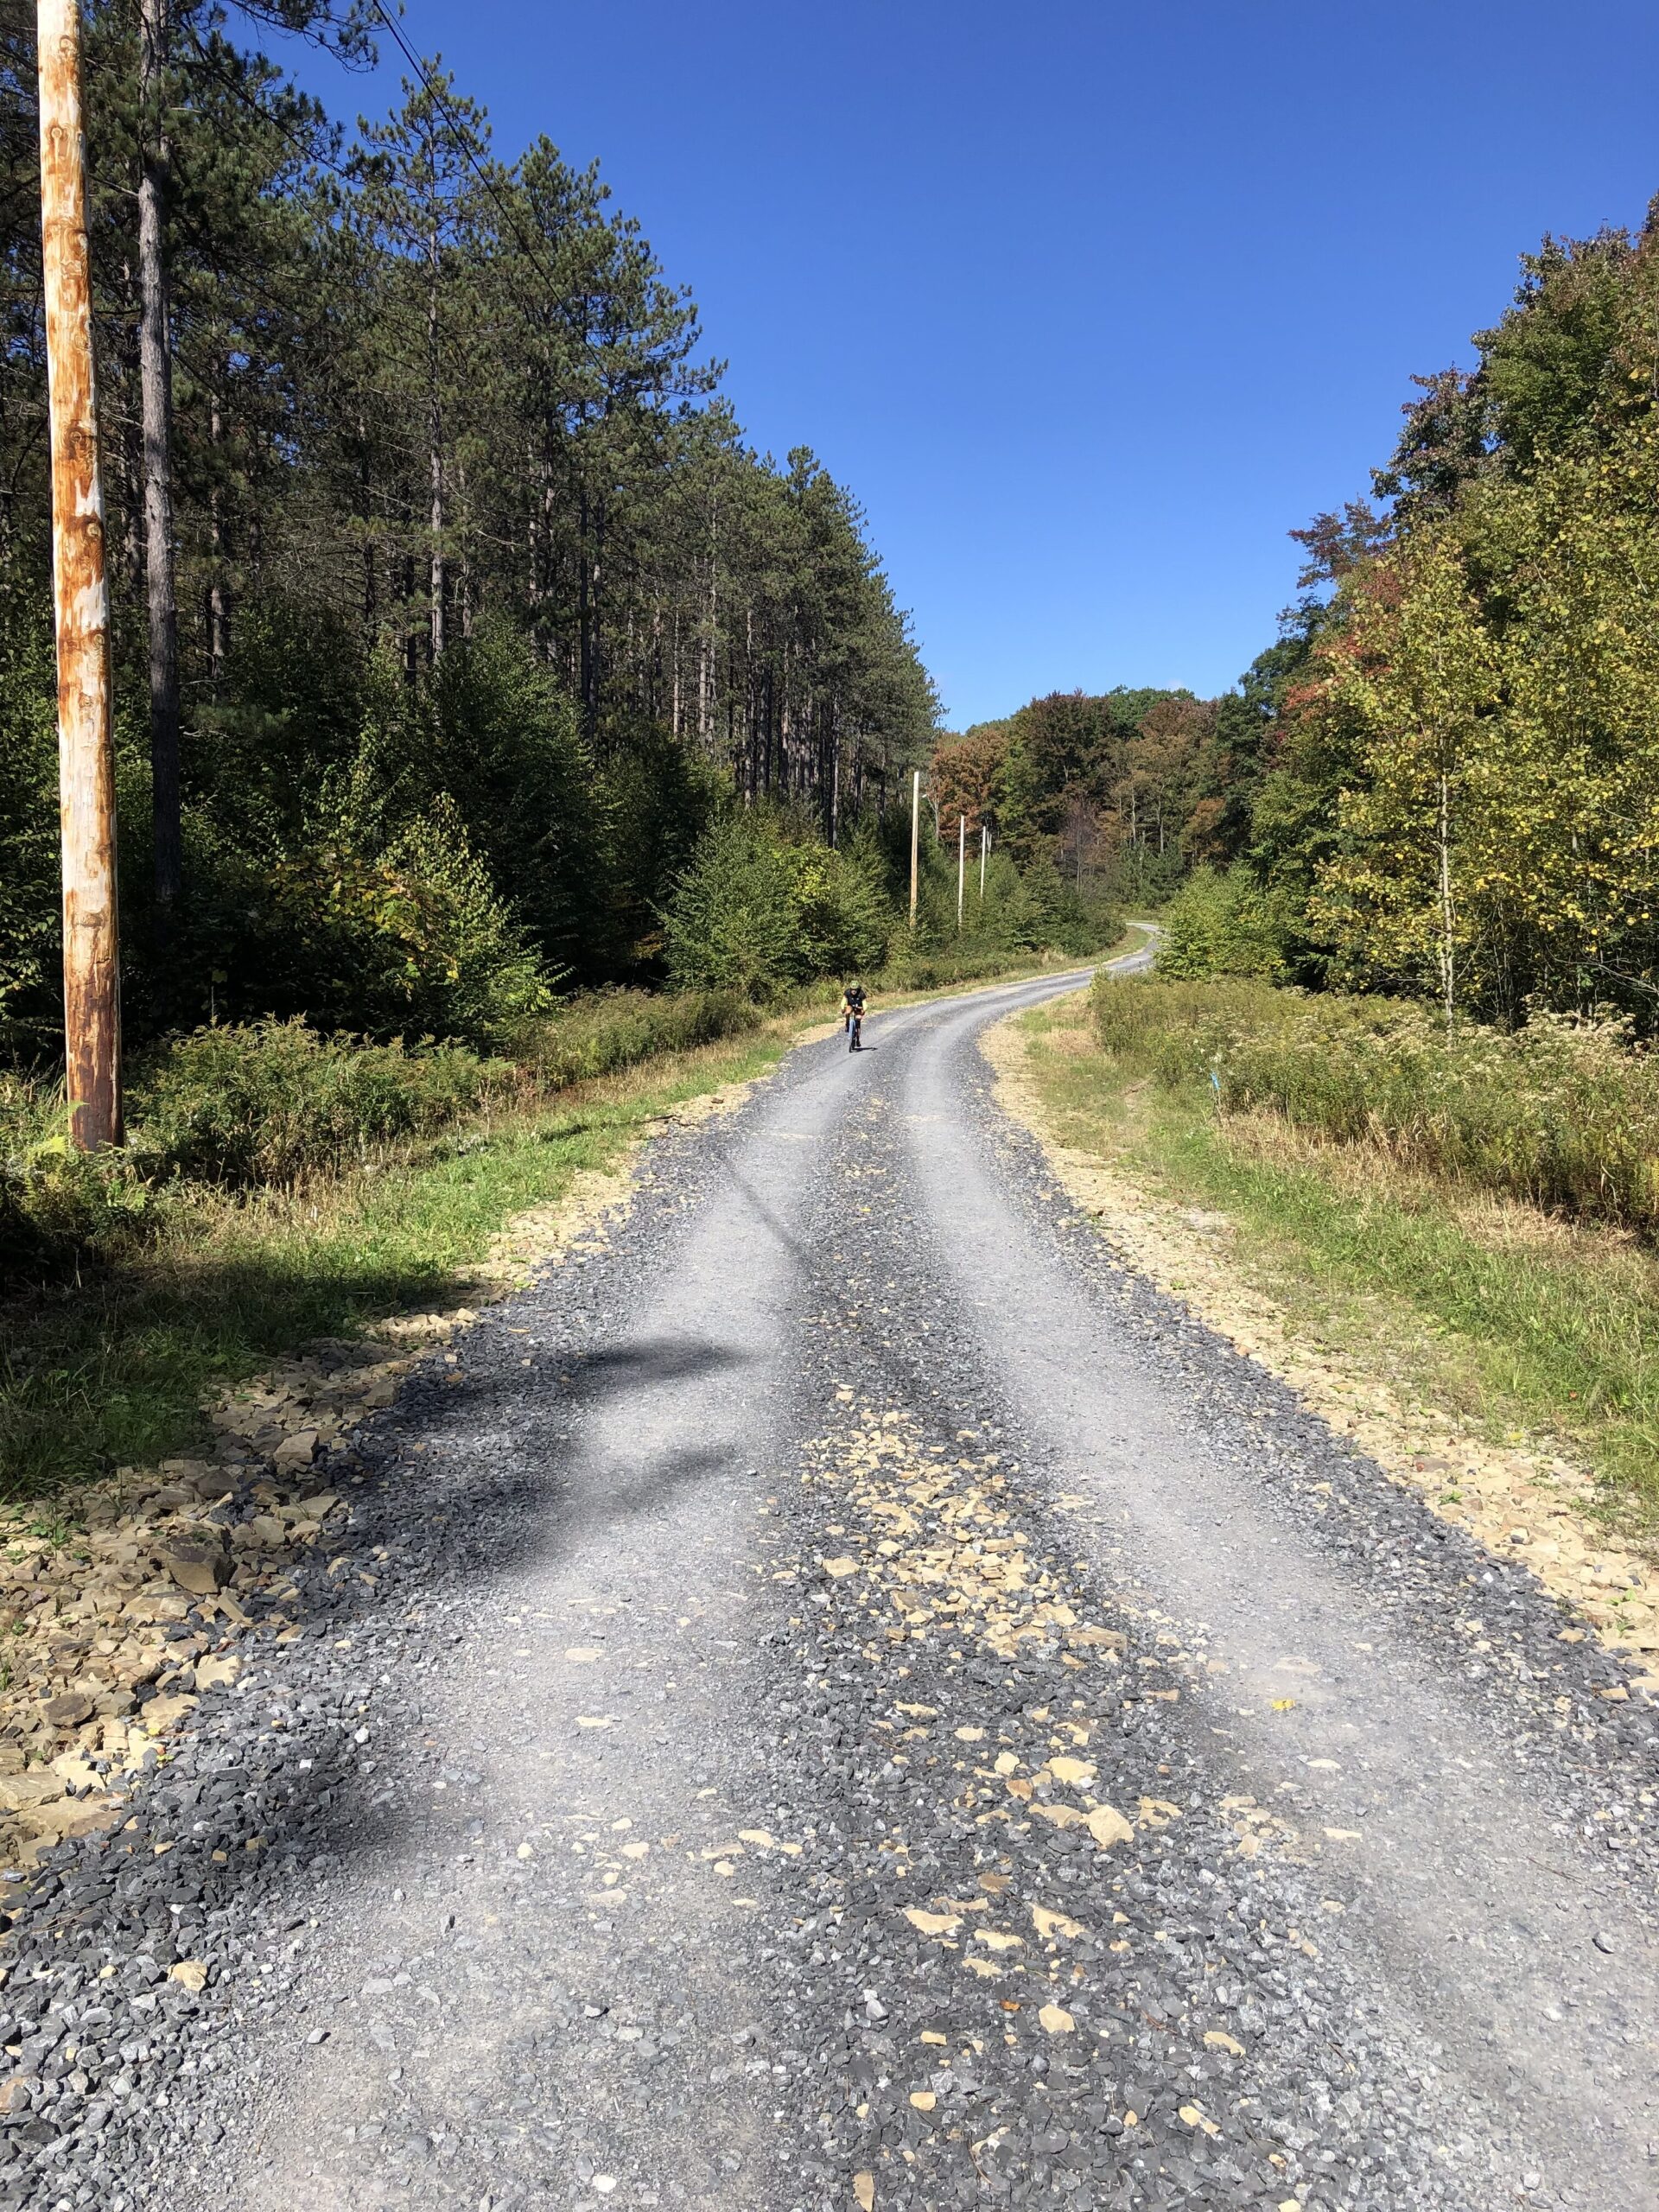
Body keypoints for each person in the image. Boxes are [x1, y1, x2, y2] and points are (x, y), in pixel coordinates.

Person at [839, 979, 868, 1052]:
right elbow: (843, 1001)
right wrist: (842, 1008)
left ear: (857, 989)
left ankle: (858, 1039)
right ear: (850, 989)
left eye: (855, 989)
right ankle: (847, 1023)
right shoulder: (847, 992)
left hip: (859, 1007)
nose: (853, 991)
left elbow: (865, 1004)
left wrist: (864, 1010)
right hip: (850, 1006)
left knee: (858, 1020)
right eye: (852, 989)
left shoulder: (861, 993)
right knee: (848, 1012)